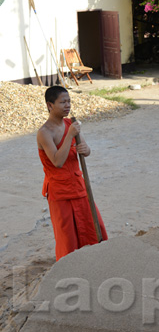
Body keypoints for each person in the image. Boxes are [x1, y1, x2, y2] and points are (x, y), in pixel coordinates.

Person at [37, 86, 108, 261]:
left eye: (69, 101)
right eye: (63, 102)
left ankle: (94, 262)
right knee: (67, 236)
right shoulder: (44, 133)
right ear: (50, 105)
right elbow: (57, 161)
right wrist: (70, 136)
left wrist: (86, 149)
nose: (67, 105)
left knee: (92, 226)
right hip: (60, 192)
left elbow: (85, 150)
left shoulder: (70, 124)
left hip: (79, 186)